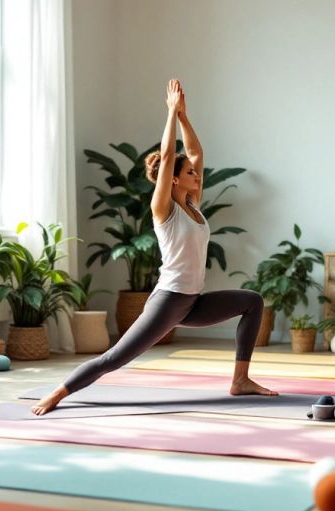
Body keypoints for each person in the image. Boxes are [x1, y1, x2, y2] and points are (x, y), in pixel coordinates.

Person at [31, 79, 277, 415]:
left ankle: (240, 380)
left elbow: (196, 153)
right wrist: (171, 115)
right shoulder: (165, 210)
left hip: (192, 303)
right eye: (190, 173)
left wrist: (186, 117)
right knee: (114, 358)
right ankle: (57, 394)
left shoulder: (193, 205)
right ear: (173, 179)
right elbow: (168, 156)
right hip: (169, 301)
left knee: (252, 301)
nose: (197, 174)